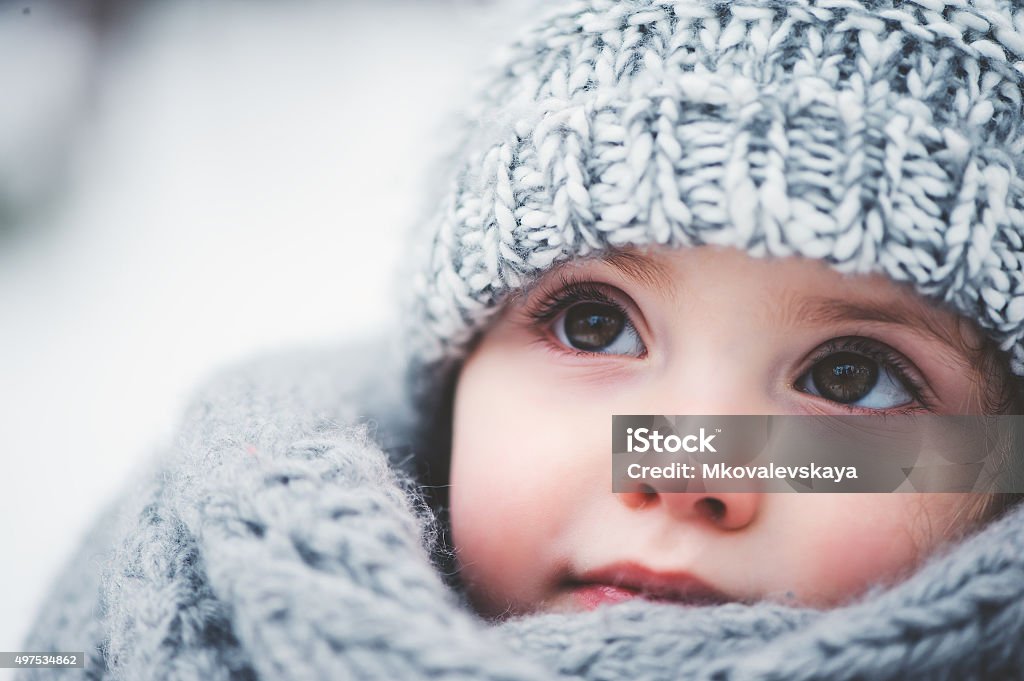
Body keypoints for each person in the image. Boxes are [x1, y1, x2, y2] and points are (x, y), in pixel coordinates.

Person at [20, 0, 1024, 679]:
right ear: (452, 378)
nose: (682, 468)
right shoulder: (173, 599)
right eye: (594, 323)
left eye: (851, 381)